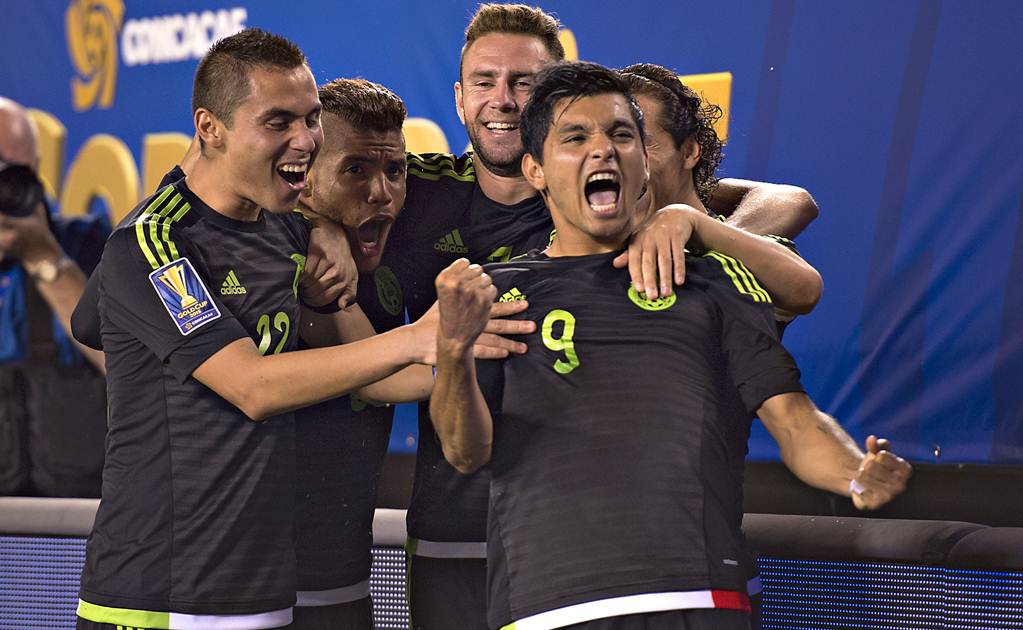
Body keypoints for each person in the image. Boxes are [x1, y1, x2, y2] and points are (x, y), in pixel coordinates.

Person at [431, 61, 912, 630]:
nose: (603, 151)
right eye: (576, 137)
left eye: (621, 135)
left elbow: (795, 421)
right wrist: (453, 354)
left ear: (644, 160)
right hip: (545, 607)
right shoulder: (497, 292)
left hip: (699, 598)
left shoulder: (711, 278)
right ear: (535, 169)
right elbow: (465, 452)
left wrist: (855, 472)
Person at [75, 28, 527, 630]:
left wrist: (458, 346)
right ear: (209, 129)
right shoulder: (153, 244)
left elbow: (376, 377)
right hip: (157, 598)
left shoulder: (288, 233)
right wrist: (417, 337)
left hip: (267, 596)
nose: (303, 139)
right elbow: (253, 388)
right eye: (278, 121)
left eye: (311, 119)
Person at [289, 77, 412, 629]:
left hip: (345, 583)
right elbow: (379, 376)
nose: (381, 192)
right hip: (244, 592)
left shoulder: (396, 246)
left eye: (395, 170)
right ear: (305, 176)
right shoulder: (266, 255)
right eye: (355, 170)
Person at [0, 96, 107, 499]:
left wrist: (43, 257)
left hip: (70, 514)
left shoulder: (89, 246)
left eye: (13, 174)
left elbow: (130, 369)